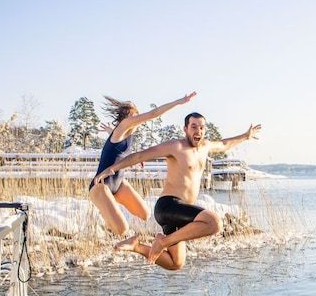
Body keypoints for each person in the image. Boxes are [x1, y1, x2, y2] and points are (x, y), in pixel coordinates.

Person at [93, 112, 261, 270]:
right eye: (194, 126)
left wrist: (245, 136)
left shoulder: (205, 146)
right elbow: (140, 156)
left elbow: (224, 144)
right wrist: (112, 169)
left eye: (202, 127)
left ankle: (136, 246)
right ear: (185, 129)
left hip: (181, 215)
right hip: (169, 206)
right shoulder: (175, 146)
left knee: (175, 263)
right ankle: (163, 242)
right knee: (215, 223)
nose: (198, 131)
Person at [89, 92, 196, 236]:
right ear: (126, 117)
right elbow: (153, 114)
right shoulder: (124, 125)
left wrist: (135, 158)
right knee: (122, 229)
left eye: (137, 113)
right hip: (100, 185)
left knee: (144, 214)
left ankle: (110, 209)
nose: (137, 117)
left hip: (118, 183)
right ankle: (106, 216)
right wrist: (179, 101)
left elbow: (117, 149)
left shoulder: (124, 133)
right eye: (134, 114)